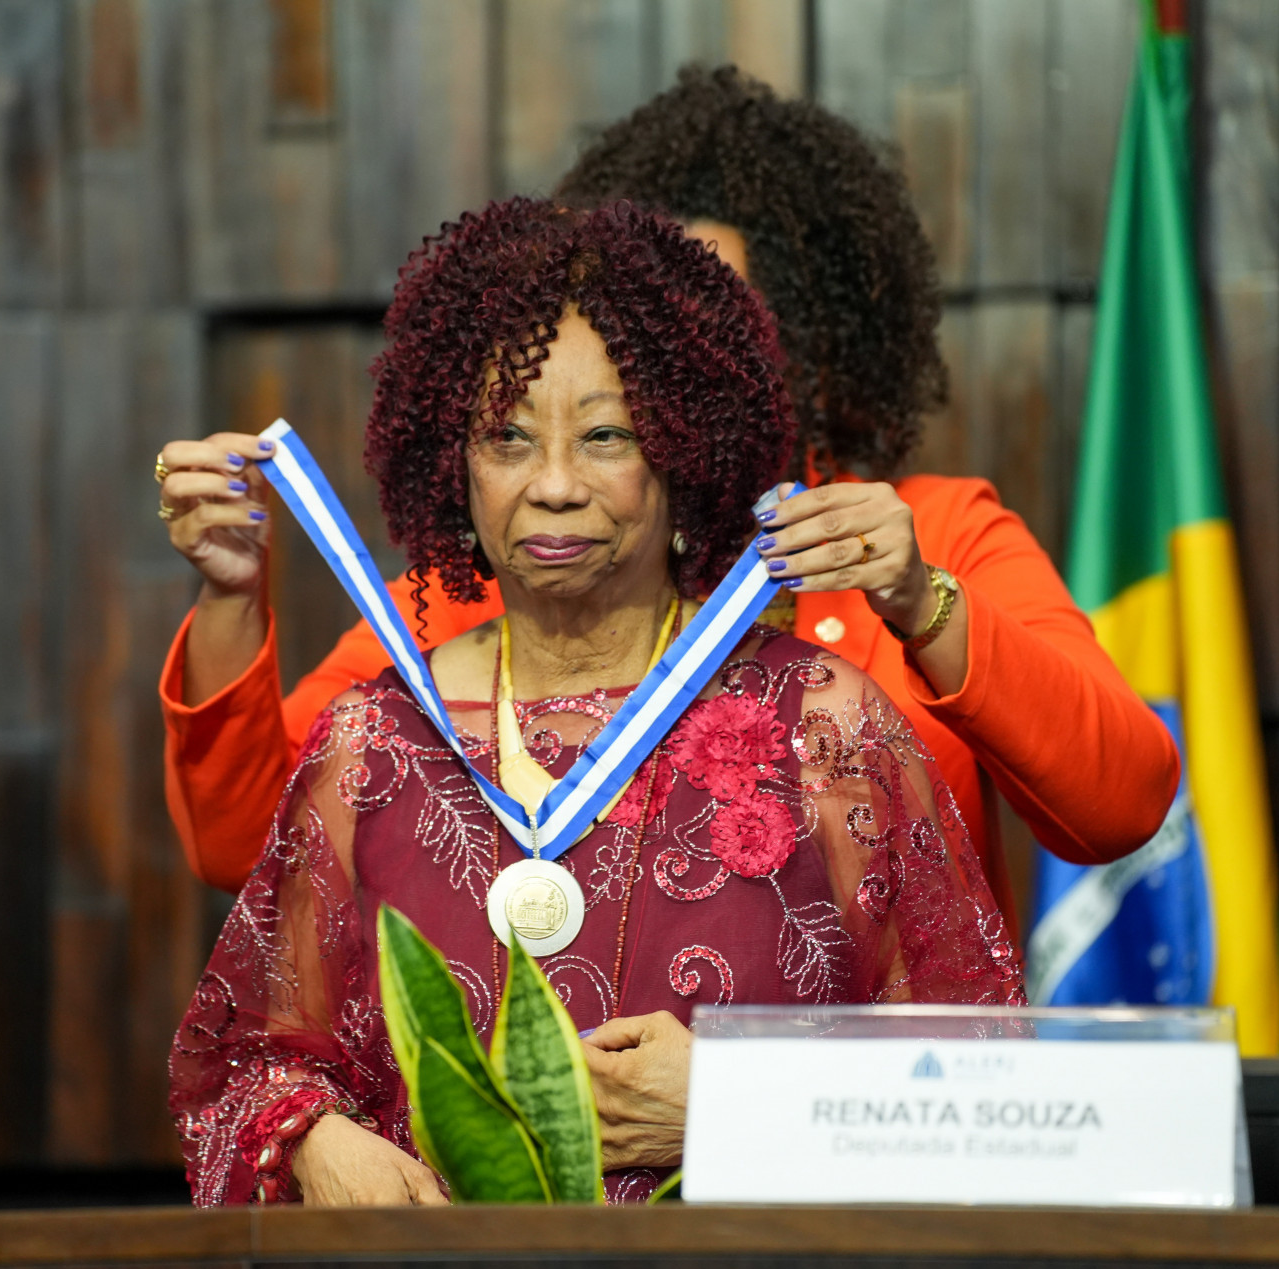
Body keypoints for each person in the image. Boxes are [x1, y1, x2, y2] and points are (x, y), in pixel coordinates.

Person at [157, 67, 1178, 933]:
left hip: (864, 1105)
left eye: (709, 315)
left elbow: (1121, 806)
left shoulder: (935, 534)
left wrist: (922, 602)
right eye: (640, 318)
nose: (672, 352)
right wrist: (231, 602)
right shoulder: (505, 575)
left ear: (799, 330)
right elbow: (246, 844)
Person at [169, 199, 1023, 1207]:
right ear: (454, 464)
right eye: (507, 437)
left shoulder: (824, 726)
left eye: (607, 435)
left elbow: (981, 1082)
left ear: (685, 456)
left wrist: (744, 1103)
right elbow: (246, 1067)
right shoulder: (371, 743)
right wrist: (311, 1142)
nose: (555, 485)